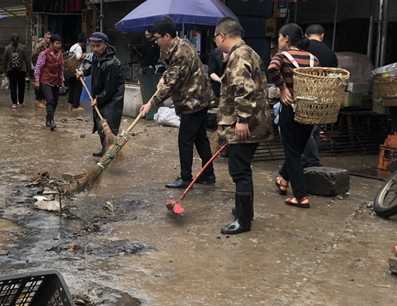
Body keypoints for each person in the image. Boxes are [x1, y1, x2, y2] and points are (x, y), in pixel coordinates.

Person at [212, 17, 273, 235]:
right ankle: (243, 210)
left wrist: (242, 120)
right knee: (242, 167)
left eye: (215, 39)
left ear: (222, 36)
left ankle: (243, 220)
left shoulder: (238, 56)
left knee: (239, 169)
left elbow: (243, 89)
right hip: (256, 121)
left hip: (247, 124)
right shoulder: (249, 52)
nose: (216, 45)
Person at [139, 17, 215, 189]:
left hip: (194, 102)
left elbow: (172, 85)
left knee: (185, 140)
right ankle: (208, 174)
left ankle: (185, 178)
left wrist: (151, 103)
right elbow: (173, 72)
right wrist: (164, 77)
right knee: (200, 138)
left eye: (157, 38)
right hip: (200, 99)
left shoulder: (180, 52)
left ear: (167, 36)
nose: (156, 42)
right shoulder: (181, 46)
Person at [268, 23, 319, 209]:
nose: (279, 41)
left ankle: (300, 196)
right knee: (296, 149)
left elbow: (272, 69)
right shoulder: (314, 59)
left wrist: (282, 89)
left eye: (280, 38)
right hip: (310, 111)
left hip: (291, 108)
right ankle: (283, 179)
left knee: (292, 152)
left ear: (287, 39)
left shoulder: (282, 56)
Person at [76, 32, 125, 156]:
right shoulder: (95, 57)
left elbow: (110, 89)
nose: (95, 49)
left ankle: (109, 154)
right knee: (100, 125)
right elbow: (92, 67)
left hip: (112, 100)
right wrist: (84, 72)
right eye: (93, 46)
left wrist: (99, 99)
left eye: (98, 46)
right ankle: (104, 150)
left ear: (105, 45)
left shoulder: (111, 63)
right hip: (100, 97)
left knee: (109, 127)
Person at [303, 23, 339, 168]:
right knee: (316, 129)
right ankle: (312, 158)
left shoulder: (303, 48)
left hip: (306, 93)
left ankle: (312, 161)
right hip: (324, 94)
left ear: (305, 36)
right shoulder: (330, 53)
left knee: (307, 130)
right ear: (322, 36)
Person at [34, 34, 66, 130]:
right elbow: (38, 67)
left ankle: (49, 119)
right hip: (46, 80)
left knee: (55, 101)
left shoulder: (60, 54)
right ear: (51, 43)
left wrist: (62, 82)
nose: (58, 45)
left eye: (60, 43)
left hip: (56, 80)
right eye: (56, 43)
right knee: (50, 100)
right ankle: (51, 121)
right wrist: (36, 80)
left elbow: (61, 69)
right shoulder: (44, 54)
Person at [3, 33, 30, 108]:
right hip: (21, 70)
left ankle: (14, 103)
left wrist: (5, 71)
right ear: (18, 39)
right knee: (21, 86)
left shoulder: (7, 48)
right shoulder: (22, 47)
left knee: (12, 86)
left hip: (11, 70)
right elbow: (27, 59)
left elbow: (5, 60)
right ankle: (21, 102)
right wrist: (28, 70)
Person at [67, 33, 86, 111]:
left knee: (71, 88)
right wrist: (83, 56)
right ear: (83, 41)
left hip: (71, 70)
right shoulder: (79, 48)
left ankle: (70, 104)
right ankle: (76, 105)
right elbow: (77, 58)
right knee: (77, 88)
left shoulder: (73, 47)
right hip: (77, 70)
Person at [32, 32, 52, 107]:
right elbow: (33, 56)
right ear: (44, 38)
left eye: (50, 38)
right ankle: (39, 101)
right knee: (38, 85)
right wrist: (37, 66)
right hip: (40, 68)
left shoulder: (51, 46)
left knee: (46, 84)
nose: (49, 39)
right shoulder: (39, 46)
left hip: (47, 69)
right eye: (47, 38)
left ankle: (45, 99)